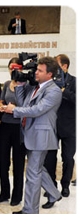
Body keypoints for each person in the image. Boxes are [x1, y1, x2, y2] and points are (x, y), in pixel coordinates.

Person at [5, 57, 62, 214]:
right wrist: (21, 86)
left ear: (49, 74)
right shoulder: (36, 88)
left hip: (41, 135)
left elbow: (37, 110)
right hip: (31, 133)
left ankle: (30, 209)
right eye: (36, 69)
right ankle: (54, 194)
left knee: (32, 173)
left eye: (40, 71)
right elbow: (25, 105)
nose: (35, 73)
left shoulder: (53, 90)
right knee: (37, 169)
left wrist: (13, 110)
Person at [44, 54, 80, 198]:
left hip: (69, 127)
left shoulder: (76, 82)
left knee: (68, 158)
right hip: (52, 125)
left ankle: (65, 186)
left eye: (57, 65)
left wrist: (64, 91)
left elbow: (79, 100)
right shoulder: (49, 82)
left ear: (64, 66)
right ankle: (51, 186)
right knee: (50, 158)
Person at [0, 57, 27, 206]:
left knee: (18, 162)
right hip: (5, 125)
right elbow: (1, 101)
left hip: (19, 127)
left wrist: (14, 108)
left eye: (16, 69)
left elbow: (27, 106)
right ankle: (4, 192)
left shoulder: (26, 85)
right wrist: (2, 106)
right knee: (3, 161)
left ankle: (17, 195)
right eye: (10, 68)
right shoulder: (7, 84)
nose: (13, 71)